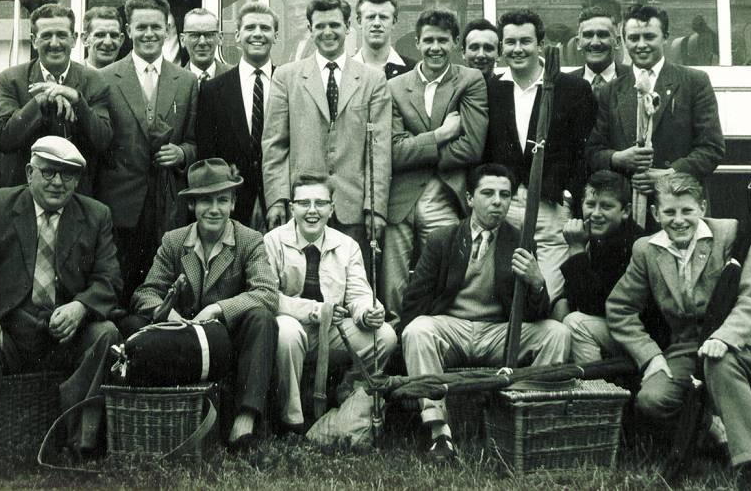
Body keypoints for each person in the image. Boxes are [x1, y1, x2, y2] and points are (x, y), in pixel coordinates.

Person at [0, 136, 125, 483]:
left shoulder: (95, 214)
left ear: (77, 180)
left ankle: (81, 444)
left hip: (64, 336)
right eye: (48, 173)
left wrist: (80, 307)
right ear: (29, 172)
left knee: (107, 335)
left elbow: (110, 279)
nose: (58, 182)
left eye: (68, 175)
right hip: (9, 332)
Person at [606, 173, 751, 488]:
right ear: (656, 214)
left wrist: (724, 337)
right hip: (687, 348)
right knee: (653, 399)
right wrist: (650, 357)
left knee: (718, 363)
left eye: (687, 211)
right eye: (669, 212)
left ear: (702, 207)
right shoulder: (646, 250)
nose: (678, 220)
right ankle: (712, 430)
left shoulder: (731, 233)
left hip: (742, 340)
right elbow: (619, 309)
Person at [400, 163, 570, 460]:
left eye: (505, 195)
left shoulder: (519, 239)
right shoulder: (444, 239)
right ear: (469, 198)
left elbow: (537, 314)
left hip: (498, 332)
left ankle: (522, 417)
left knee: (557, 332)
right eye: (488, 193)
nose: (497, 201)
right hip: (452, 327)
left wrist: (536, 282)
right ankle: (439, 433)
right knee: (418, 329)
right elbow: (414, 301)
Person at [131, 158, 279, 448]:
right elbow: (145, 292)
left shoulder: (249, 240)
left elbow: (266, 292)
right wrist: (171, 316)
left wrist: (218, 309)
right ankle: (158, 415)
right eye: (205, 201)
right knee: (133, 323)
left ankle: (245, 419)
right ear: (191, 206)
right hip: (185, 342)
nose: (214, 209)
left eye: (222, 200)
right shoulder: (174, 241)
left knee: (262, 318)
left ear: (233, 204)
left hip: (229, 342)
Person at [262, 0, 391, 279]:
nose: (327, 32)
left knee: (354, 287)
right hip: (302, 205)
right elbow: (274, 145)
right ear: (309, 29)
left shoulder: (372, 79)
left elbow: (379, 150)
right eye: (319, 26)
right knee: (300, 286)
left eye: (334, 24)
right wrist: (277, 200)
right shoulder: (286, 76)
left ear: (348, 27)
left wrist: (375, 207)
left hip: (353, 207)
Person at [264, 173, 397, 432]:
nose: (312, 211)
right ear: (292, 208)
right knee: (287, 334)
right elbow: (267, 296)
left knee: (385, 336)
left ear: (331, 208)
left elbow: (359, 293)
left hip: (332, 332)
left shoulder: (347, 245)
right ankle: (292, 419)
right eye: (304, 203)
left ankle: (348, 392)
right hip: (294, 326)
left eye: (320, 203)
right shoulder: (273, 241)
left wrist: (366, 312)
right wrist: (314, 310)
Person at [381, 9, 488, 322]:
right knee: (394, 282)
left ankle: (435, 333)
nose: (435, 47)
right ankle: (396, 344)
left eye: (443, 40)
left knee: (444, 274)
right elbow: (393, 152)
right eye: (428, 40)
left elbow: (471, 146)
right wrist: (440, 135)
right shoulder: (396, 87)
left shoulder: (470, 80)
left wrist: (416, 150)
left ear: (455, 43)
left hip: (444, 194)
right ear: (417, 43)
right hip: (399, 199)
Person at [97, 0, 198, 318]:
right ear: (129, 30)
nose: (149, 34)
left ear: (168, 28)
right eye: (141, 27)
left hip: (167, 204)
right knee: (121, 290)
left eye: (157, 26)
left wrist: (181, 152)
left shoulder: (186, 81)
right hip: (121, 204)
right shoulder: (105, 78)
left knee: (164, 285)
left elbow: (197, 141)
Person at [482, 8, 594, 302]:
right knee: (504, 294)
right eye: (510, 42)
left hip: (550, 206)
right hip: (505, 206)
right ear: (501, 47)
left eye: (525, 41)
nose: (517, 49)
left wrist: (568, 195)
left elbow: (583, 152)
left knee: (549, 291)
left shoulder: (572, 88)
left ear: (539, 45)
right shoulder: (491, 89)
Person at [586, 4, 725, 199]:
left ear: (665, 37)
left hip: (679, 204)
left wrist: (668, 175)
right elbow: (593, 151)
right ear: (624, 41)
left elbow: (711, 148)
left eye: (649, 37)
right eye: (633, 38)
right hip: (627, 205)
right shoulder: (610, 90)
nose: (641, 45)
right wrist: (618, 158)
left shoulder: (694, 82)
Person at [0, 4, 112, 196]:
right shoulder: (12, 79)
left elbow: (103, 140)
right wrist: (40, 100)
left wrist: (76, 100)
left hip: (75, 193)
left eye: (62, 35)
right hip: (24, 192)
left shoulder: (94, 80)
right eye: (46, 35)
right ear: (33, 41)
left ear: (73, 40)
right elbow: (4, 139)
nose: (55, 43)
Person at [196, 2, 277, 231]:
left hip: (278, 199)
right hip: (232, 201)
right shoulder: (213, 89)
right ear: (238, 35)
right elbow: (206, 150)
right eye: (251, 27)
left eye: (265, 28)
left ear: (276, 36)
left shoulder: (288, 82)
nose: (258, 34)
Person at [559, 170, 646, 362]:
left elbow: (594, 306)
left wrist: (576, 249)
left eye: (606, 206)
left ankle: (596, 387)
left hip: (641, 337)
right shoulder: (594, 236)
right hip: (612, 329)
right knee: (560, 309)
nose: (596, 213)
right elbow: (573, 298)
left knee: (575, 323)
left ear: (625, 211)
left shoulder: (633, 243)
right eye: (590, 204)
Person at [352, 0, 414, 80]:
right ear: (359, 22)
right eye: (371, 17)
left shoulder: (412, 70)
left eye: (383, 17)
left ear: (394, 22)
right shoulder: (345, 70)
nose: (377, 23)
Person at [395, 0, 461, 63]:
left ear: (455, 5)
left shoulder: (467, 41)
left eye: (444, 1)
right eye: (431, 1)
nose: (437, 7)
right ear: (423, 4)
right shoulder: (405, 44)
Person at [568, 6, 624, 91]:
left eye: (603, 35)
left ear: (617, 42)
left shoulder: (634, 79)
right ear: (578, 43)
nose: (595, 43)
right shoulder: (565, 84)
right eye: (588, 35)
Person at [182, 8, 233, 85]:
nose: (202, 42)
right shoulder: (173, 82)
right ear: (182, 40)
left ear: (220, 38)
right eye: (194, 35)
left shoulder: (235, 77)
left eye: (209, 35)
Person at [279, 0, 321, 64]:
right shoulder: (290, 45)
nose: (296, 14)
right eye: (291, 8)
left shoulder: (325, 42)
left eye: (302, 7)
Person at [461, 18, 501, 84]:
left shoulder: (510, 92)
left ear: (499, 54)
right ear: (463, 53)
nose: (481, 55)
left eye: (488, 48)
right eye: (474, 48)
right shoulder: (451, 92)